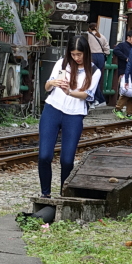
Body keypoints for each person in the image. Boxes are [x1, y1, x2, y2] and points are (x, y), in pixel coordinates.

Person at [38, 34, 100, 201]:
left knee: (67, 160)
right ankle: (45, 193)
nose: (76, 58)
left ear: (86, 53)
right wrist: (53, 83)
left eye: (79, 54)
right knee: (44, 155)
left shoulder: (94, 70)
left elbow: (88, 95)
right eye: (73, 54)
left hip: (74, 114)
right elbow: (47, 86)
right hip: (52, 108)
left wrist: (69, 92)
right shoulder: (62, 63)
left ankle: (64, 194)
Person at [112, 30, 132, 120]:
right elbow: (116, 50)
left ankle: (129, 112)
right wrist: (125, 58)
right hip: (124, 71)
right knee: (126, 91)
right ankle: (118, 108)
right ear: (128, 37)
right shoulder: (122, 45)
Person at [85, 23, 109, 107]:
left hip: (92, 56)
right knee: (98, 79)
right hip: (101, 57)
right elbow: (107, 50)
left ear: (89, 28)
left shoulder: (87, 35)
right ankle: (100, 99)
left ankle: (96, 100)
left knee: (91, 78)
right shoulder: (102, 36)